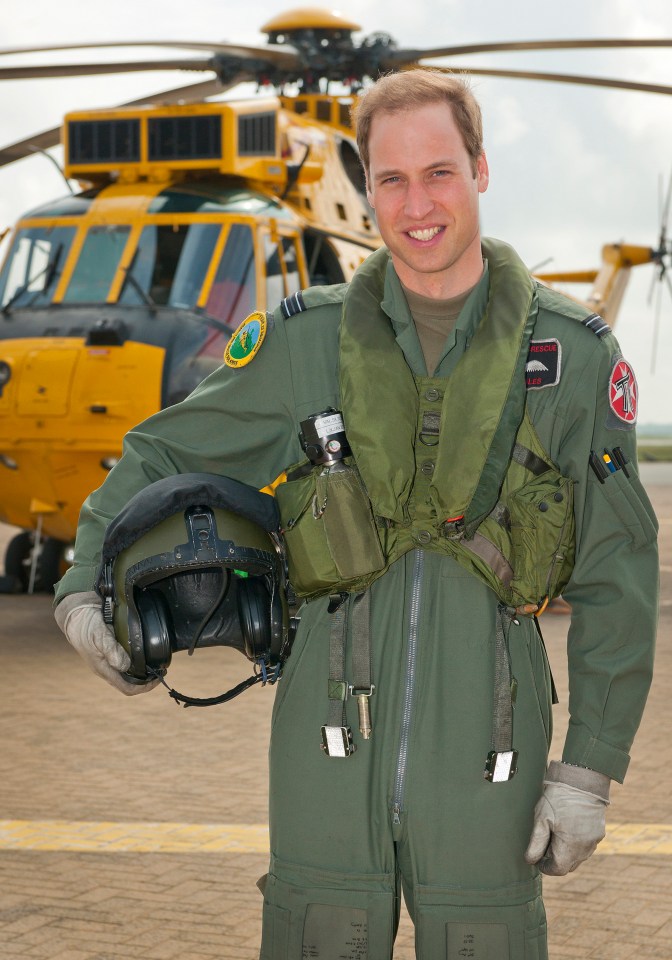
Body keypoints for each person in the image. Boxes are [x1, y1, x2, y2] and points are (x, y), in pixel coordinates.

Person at [54, 69, 658, 959]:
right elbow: (163, 451)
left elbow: (619, 572)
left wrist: (591, 767)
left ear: (482, 170)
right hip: (323, 738)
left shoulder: (568, 356)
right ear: (368, 188)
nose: (417, 203)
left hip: (492, 745)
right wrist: (80, 586)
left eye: (440, 172)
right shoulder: (302, 343)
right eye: (391, 179)